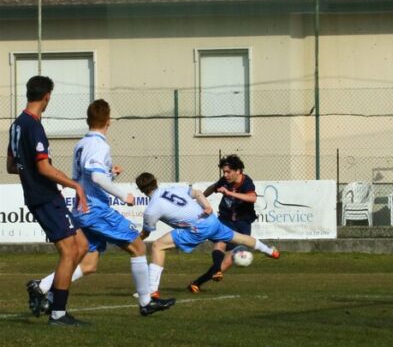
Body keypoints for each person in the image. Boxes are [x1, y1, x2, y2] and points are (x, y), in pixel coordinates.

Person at [27, 100, 175, 317]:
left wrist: (110, 174)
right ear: (109, 121)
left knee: (89, 263)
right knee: (138, 247)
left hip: (82, 208)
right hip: (94, 209)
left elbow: (90, 176)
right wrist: (124, 195)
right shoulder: (99, 145)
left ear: (88, 120)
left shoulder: (81, 144)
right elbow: (96, 177)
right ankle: (146, 302)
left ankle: (43, 289)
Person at [7, 76, 89, 326]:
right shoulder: (33, 126)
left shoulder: (16, 125)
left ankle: (50, 295)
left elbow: (12, 166)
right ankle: (58, 313)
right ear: (47, 97)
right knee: (69, 251)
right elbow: (43, 167)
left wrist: (30, 172)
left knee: (81, 245)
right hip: (44, 196)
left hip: (39, 195)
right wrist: (74, 184)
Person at [134, 172, 279, 298]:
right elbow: (197, 193)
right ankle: (271, 251)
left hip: (196, 230)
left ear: (141, 190)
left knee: (158, 246)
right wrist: (207, 206)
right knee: (239, 237)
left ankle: (152, 290)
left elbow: (146, 233)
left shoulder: (151, 209)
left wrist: (133, 241)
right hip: (210, 220)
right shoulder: (172, 189)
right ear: (156, 181)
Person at [188, 154, 258, 292]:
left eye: (228, 172)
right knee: (221, 241)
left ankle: (197, 282)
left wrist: (230, 193)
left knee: (229, 259)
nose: (225, 175)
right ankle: (210, 276)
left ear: (238, 171)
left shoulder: (246, 182)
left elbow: (252, 198)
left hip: (242, 222)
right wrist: (199, 200)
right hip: (225, 219)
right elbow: (212, 188)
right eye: (224, 172)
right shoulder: (224, 181)